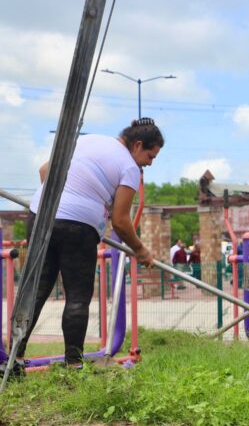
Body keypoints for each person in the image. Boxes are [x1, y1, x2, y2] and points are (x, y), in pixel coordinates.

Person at [4, 118, 162, 375]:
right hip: (78, 228)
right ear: (138, 145)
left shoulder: (87, 140)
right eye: (150, 155)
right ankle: (74, 366)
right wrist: (141, 251)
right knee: (77, 296)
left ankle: (14, 363)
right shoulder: (129, 167)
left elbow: (44, 171)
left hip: (41, 215)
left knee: (35, 290)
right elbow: (121, 222)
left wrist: (67, 197)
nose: (149, 162)